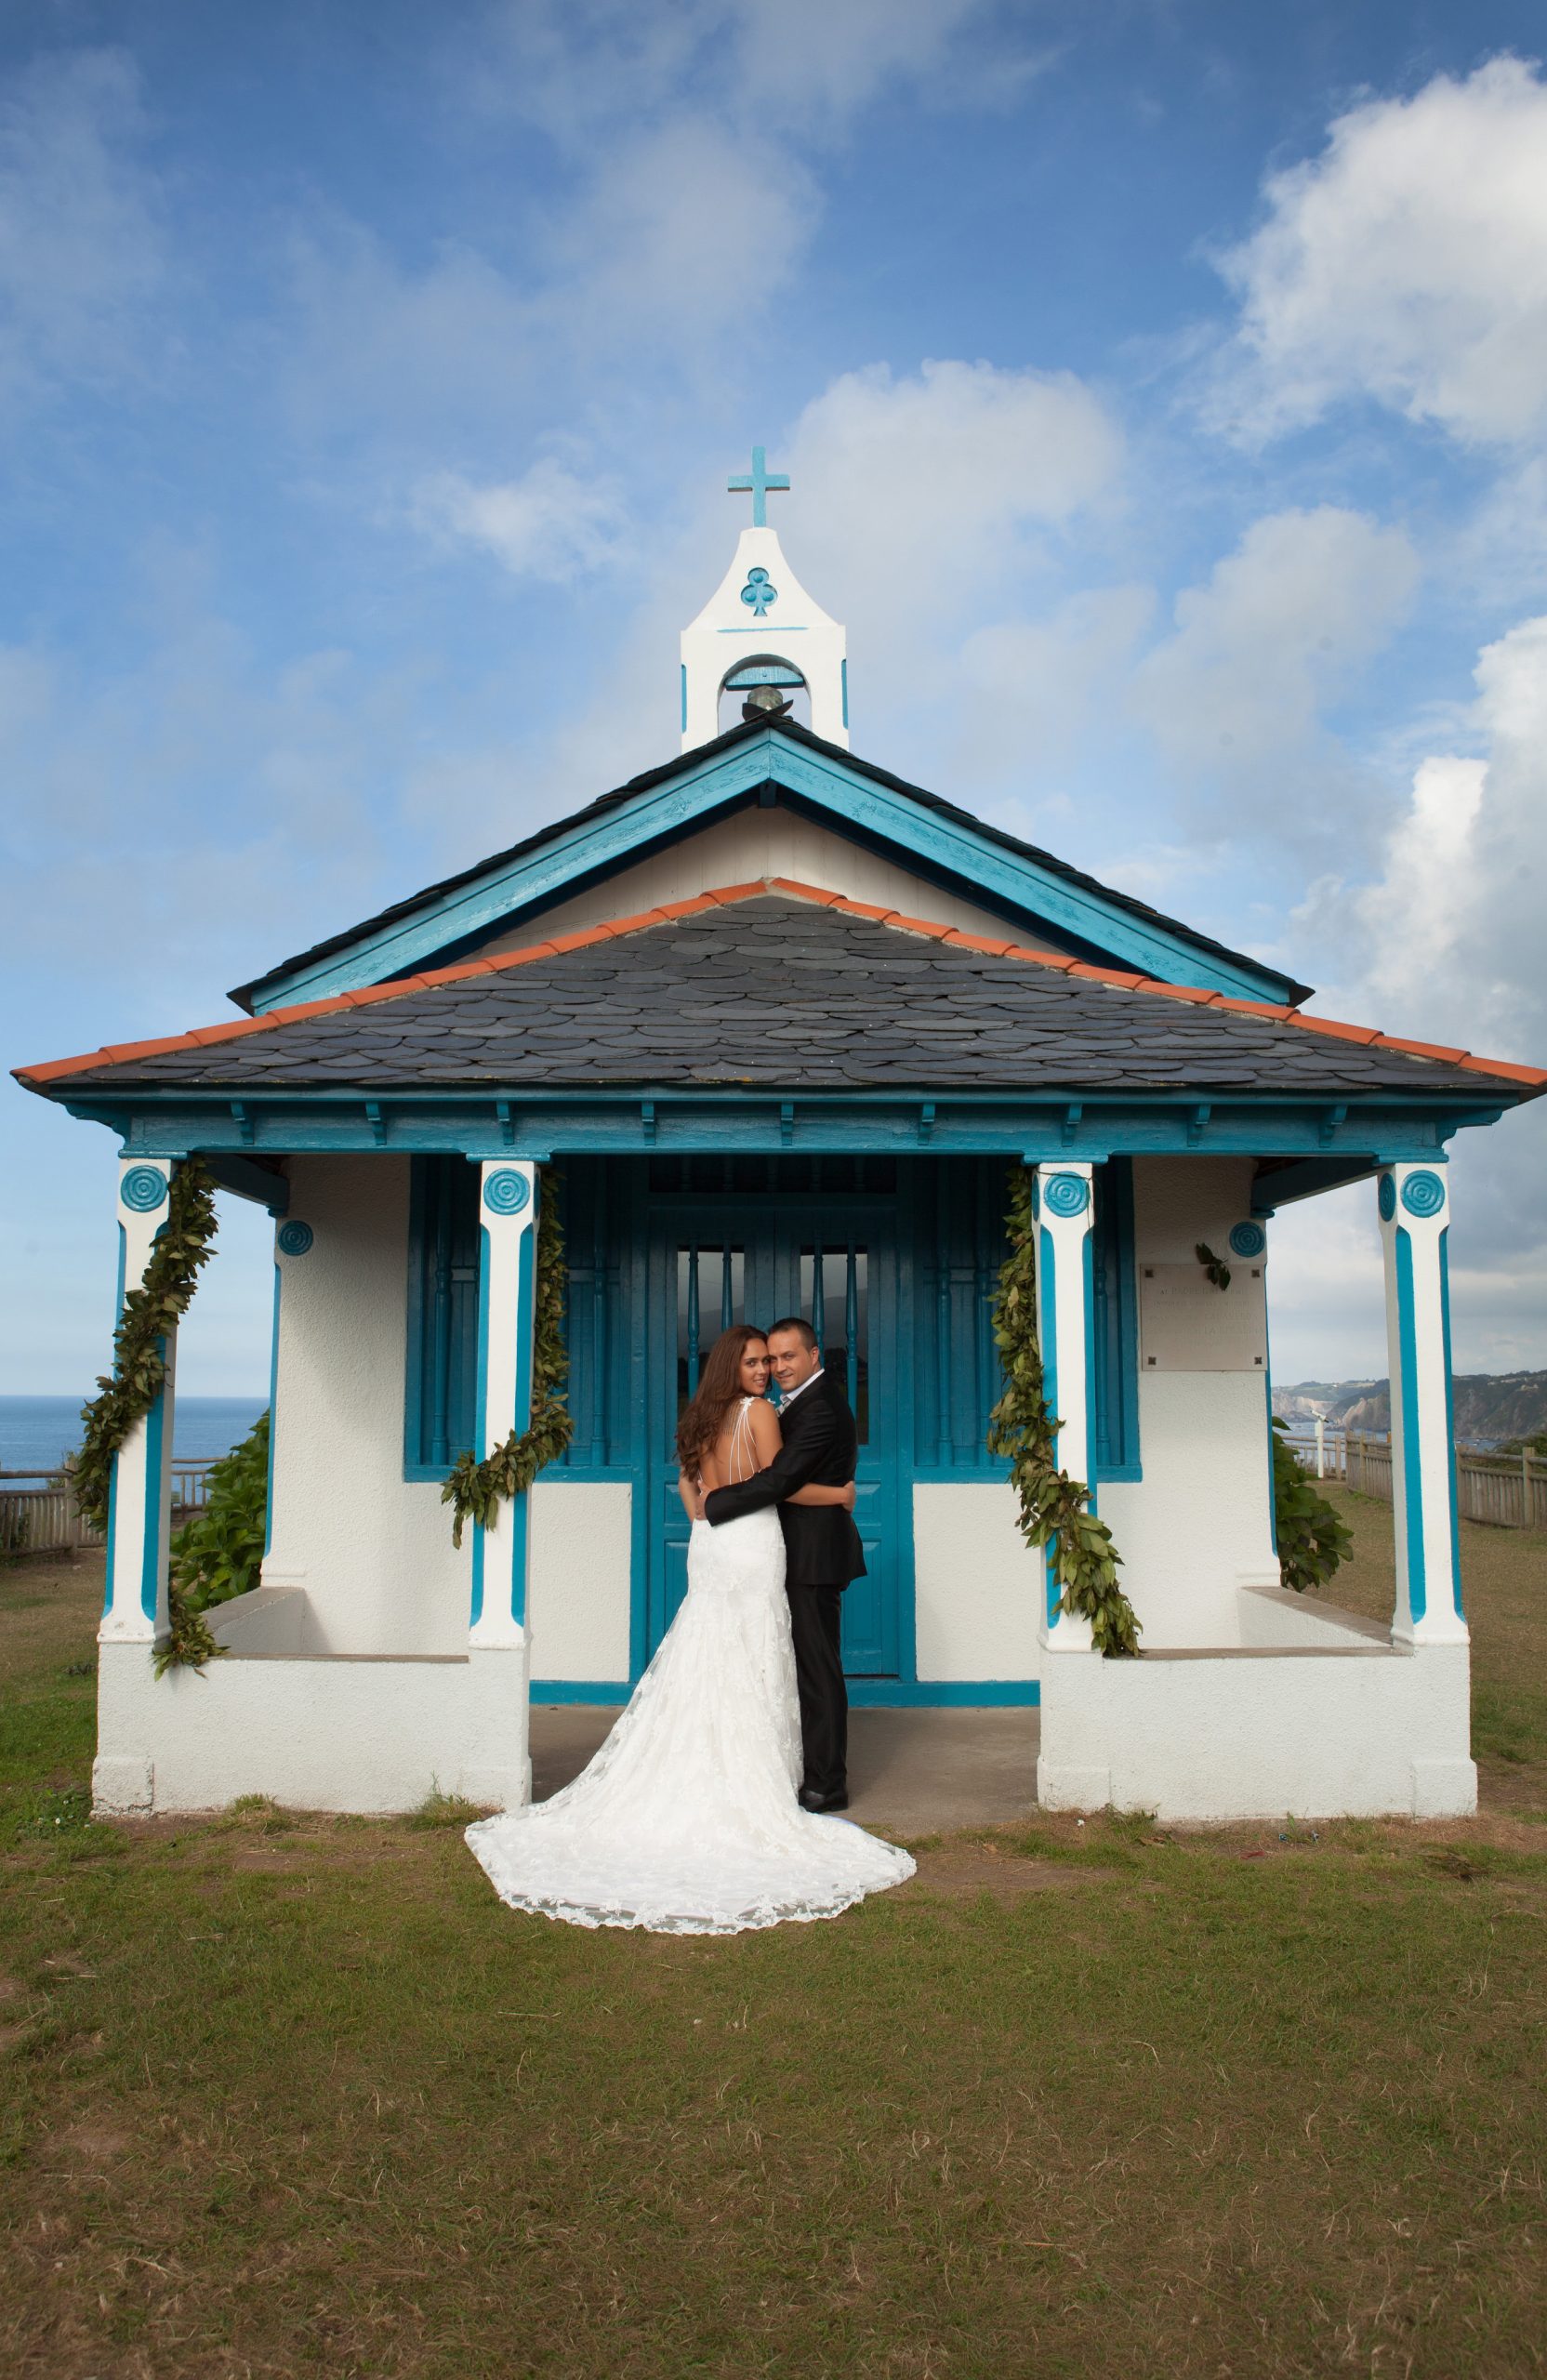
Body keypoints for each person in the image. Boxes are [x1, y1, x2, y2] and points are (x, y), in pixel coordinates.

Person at [465, 1325, 914, 1934]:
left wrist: (705, 1512)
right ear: (735, 1367)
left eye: (774, 1360)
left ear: (809, 1356)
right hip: (750, 1542)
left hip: (711, 1545)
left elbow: (689, 1486)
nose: (767, 1370)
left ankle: (729, 1769)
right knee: (757, 1652)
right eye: (757, 1361)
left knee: (713, 1650)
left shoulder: (700, 1417)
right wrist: (838, 1495)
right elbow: (777, 1484)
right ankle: (767, 1778)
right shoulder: (760, 1413)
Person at [701, 1317, 862, 1811]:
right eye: (771, 1358)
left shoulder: (822, 1408)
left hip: (814, 1556)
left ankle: (827, 1784)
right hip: (785, 1550)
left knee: (817, 1669)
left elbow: (779, 1480)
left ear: (814, 1356)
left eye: (788, 1356)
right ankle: (796, 1768)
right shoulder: (788, 1404)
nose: (778, 1367)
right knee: (796, 1666)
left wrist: (715, 1503)